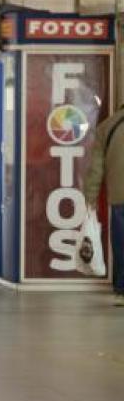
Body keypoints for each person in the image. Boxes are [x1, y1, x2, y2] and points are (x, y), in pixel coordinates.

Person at [82, 104, 124, 306]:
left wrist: (90, 198)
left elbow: (96, 169)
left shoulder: (107, 127)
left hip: (119, 196)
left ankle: (122, 290)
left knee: (121, 244)